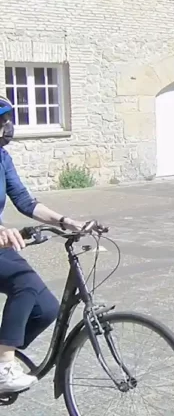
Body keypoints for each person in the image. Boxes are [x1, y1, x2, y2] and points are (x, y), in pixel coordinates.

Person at [0, 96, 87, 393]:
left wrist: (65, 221)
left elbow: (25, 201)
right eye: (1, 122)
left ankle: (1, 353)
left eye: (7, 120)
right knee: (23, 282)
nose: (6, 127)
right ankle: (4, 367)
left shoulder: (2, 158)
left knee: (47, 309)